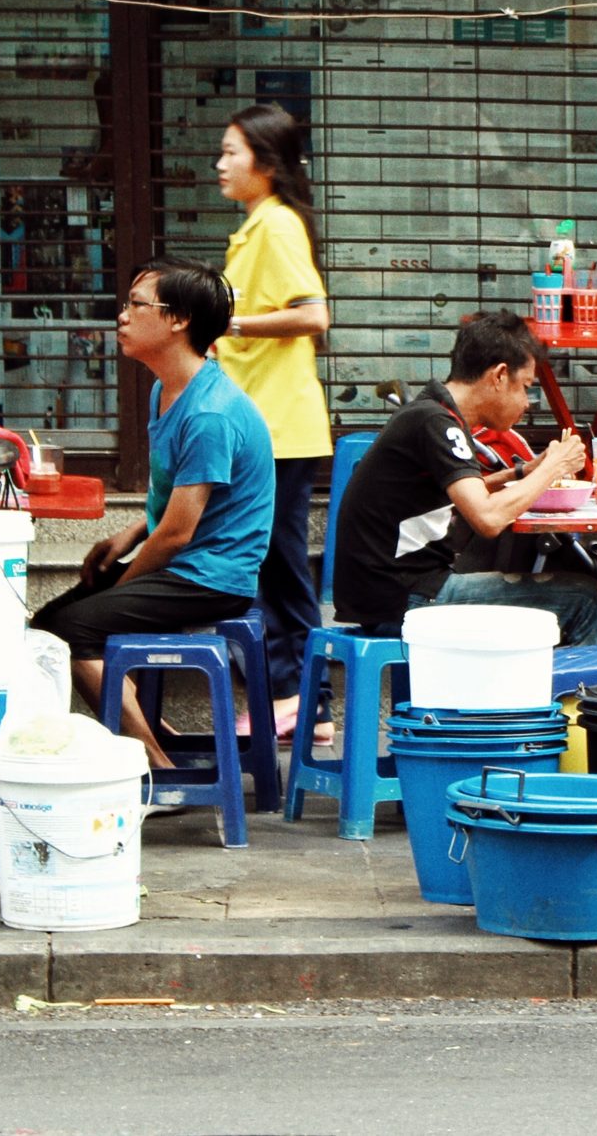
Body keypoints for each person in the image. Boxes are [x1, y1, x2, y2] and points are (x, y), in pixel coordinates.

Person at [33, 259, 276, 769]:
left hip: (212, 575)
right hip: (187, 562)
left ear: (178, 320)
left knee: (73, 628)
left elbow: (178, 534)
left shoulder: (209, 413)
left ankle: (150, 767)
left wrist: (122, 586)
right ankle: (154, 741)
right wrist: (129, 533)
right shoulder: (167, 390)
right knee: (50, 622)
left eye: (136, 305)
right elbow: (182, 498)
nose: (122, 315)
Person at [337, 311, 597, 644]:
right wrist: (552, 467)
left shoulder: (432, 413)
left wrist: (522, 472)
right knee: (586, 598)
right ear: (499, 376)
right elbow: (487, 518)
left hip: (386, 593)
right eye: (526, 387)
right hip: (405, 597)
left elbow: (460, 494)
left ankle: (568, 690)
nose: (527, 404)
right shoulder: (437, 422)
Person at [210, 104, 332, 741]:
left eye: (232, 152)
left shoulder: (279, 227)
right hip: (260, 428)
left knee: (278, 568)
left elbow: (314, 315)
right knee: (266, 566)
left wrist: (229, 323)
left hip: (280, 429)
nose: (221, 164)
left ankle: (304, 701)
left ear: (265, 160)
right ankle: (299, 700)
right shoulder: (259, 227)